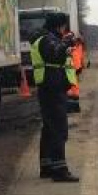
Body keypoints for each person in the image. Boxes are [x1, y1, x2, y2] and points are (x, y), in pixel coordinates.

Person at [30, 12, 80, 182]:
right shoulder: (48, 40)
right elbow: (55, 55)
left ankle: (47, 165)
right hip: (52, 87)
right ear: (59, 25)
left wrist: (66, 44)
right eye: (64, 26)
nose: (65, 30)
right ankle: (60, 169)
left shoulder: (45, 38)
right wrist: (66, 44)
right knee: (59, 129)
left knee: (50, 128)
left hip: (50, 87)